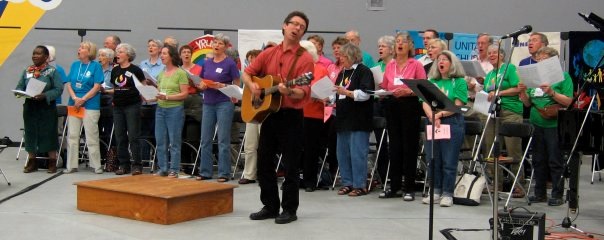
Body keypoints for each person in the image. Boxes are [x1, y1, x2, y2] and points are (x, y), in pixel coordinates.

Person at [243, 11, 313, 224]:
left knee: (291, 164)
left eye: (302, 27)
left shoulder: (305, 58)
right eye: (294, 24)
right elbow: (247, 73)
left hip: (291, 115)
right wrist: (253, 86)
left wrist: (289, 91)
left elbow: (304, 90)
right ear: (284, 26)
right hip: (269, 115)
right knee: (264, 161)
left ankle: (289, 209)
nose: (297, 28)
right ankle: (270, 205)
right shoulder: (269, 53)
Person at [518, 47, 572, 206]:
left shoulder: (563, 77)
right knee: (538, 159)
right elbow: (528, 103)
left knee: (555, 159)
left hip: (554, 124)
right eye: (538, 60)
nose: (539, 62)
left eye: (542, 60)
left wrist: (552, 93)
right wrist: (522, 93)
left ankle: (557, 193)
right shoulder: (535, 79)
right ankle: (539, 192)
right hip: (537, 122)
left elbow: (569, 102)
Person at [378, 32, 426, 201]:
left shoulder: (416, 64)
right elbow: (385, 84)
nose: (400, 44)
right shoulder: (390, 65)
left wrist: (408, 90)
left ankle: (409, 188)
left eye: (403, 42)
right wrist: (381, 90)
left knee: (409, 147)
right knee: (395, 147)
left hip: (409, 106)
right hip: (392, 105)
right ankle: (395, 186)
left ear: (410, 46)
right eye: (397, 41)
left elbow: (423, 87)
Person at [421, 50, 468, 207]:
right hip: (432, 121)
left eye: (444, 60)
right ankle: (435, 190)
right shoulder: (432, 82)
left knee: (449, 160)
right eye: (439, 60)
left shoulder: (459, 82)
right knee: (433, 159)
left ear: (452, 63)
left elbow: (457, 105)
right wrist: (432, 116)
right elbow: (425, 102)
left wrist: (439, 115)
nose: (441, 62)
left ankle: (447, 193)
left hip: (452, 121)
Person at [196, 33, 240, 182]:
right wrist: (201, 85)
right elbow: (201, 81)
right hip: (208, 102)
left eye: (220, 43)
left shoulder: (230, 63)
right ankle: (205, 171)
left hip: (224, 102)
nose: (216, 45)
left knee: (223, 139)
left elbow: (237, 82)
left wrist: (224, 86)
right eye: (215, 42)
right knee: (205, 138)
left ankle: (223, 173)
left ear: (226, 47)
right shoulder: (206, 62)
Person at [481, 44, 523, 194]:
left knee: (513, 149)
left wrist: (499, 93)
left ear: (502, 55)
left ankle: (518, 185)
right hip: (493, 113)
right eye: (489, 53)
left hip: (510, 111)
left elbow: (518, 88)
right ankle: (495, 183)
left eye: (495, 53)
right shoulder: (489, 75)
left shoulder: (509, 69)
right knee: (491, 147)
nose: (491, 55)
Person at [334, 43, 375, 197]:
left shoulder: (364, 71)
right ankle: (347, 182)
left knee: (358, 153)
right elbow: (337, 92)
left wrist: (347, 92)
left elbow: (366, 94)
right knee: (342, 153)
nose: (340, 59)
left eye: (343, 56)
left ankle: (360, 184)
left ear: (352, 56)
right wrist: (329, 97)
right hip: (343, 118)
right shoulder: (342, 73)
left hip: (359, 118)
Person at [16, 45, 64, 173]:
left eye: (38, 54)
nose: (35, 56)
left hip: (46, 107)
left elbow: (59, 89)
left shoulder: (52, 71)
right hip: (30, 107)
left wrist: (45, 95)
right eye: (34, 53)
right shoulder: (27, 71)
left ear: (46, 57)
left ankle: (52, 162)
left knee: (49, 133)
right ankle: (32, 162)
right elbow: (20, 86)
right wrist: (19, 92)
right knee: (30, 133)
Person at [63, 41, 104, 174]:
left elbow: (97, 86)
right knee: (72, 135)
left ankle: (96, 165)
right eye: (79, 47)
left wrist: (83, 99)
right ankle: (71, 165)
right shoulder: (75, 65)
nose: (79, 49)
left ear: (89, 51)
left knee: (91, 135)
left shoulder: (96, 66)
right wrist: (75, 98)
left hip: (90, 104)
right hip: (74, 104)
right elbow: (68, 83)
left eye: (82, 48)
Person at [153, 45, 189, 177]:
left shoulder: (180, 73)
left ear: (171, 56)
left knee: (174, 141)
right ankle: (163, 168)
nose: (161, 56)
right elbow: (158, 91)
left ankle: (174, 168)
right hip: (160, 108)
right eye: (161, 54)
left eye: (164, 54)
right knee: (160, 140)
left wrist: (167, 97)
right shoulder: (161, 73)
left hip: (174, 109)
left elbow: (185, 94)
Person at [110, 43, 146, 175]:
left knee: (133, 136)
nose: (117, 54)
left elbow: (143, 86)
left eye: (121, 51)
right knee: (120, 136)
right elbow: (115, 87)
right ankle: (124, 164)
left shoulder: (136, 70)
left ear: (128, 55)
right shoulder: (114, 70)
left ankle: (137, 164)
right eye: (117, 51)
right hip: (118, 106)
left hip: (132, 105)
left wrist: (145, 98)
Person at [299, 40, 329, 192]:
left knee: (311, 149)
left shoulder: (320, 69)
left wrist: (319, 94)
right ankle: (296, 178)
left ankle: (310, 180)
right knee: (296, 148)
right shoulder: (296, 69)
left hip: (313, 113)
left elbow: (325, 90)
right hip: (296, 111)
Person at [239, 49, 262, 185]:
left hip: (264, 112)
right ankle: (249, 174)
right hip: (252, 111)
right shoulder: (248, 77)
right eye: (249, 59)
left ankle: (264, 173)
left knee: (264, 146)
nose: (250, 62)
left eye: (253, 58)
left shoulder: (267, 75)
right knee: (250, 145)